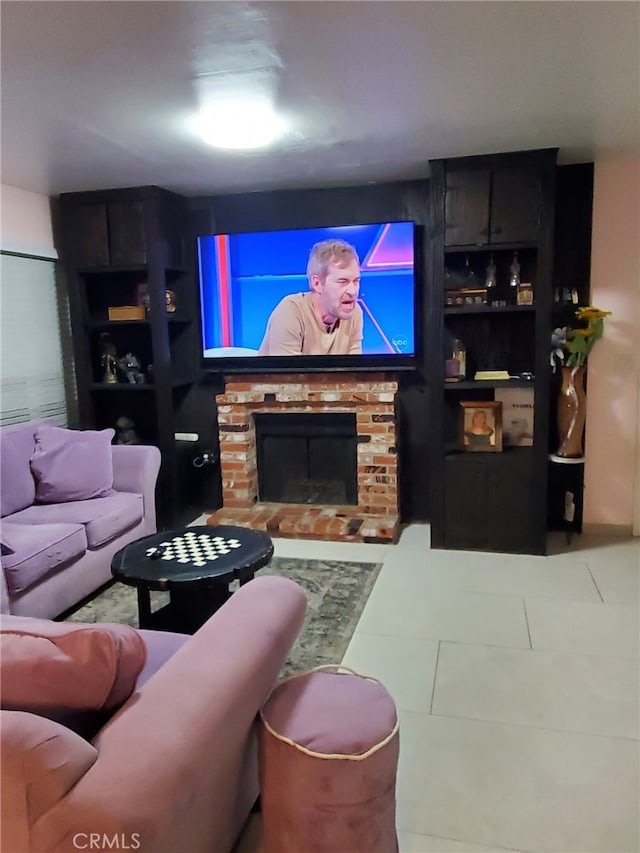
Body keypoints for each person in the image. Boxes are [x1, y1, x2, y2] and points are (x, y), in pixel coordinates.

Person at [258, 239, 363, 356]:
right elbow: (287, 374)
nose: (352, 291)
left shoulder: (355, 313)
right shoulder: (290, 312)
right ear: (317, 284)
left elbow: (354, 371)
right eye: (343, 281)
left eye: (356, 281)